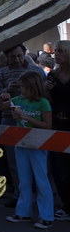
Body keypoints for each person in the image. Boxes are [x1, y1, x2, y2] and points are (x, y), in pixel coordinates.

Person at [0, 72, 54, 229]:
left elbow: (47, 126)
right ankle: (23, 212)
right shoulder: (17, 100)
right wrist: (2, 97)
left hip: (38, 145)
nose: (22, 90)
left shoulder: (43, 103)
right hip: (21, 144)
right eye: (21, 87)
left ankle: (46, 215)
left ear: (33, 87)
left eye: (25, 87)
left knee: (41, 180)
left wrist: (26, 117)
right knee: (24, 180)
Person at [47, 40, 70, 221]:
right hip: (57, 125)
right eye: (56, 51)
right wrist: (47, 91)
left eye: (60, 51)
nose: (56, 54)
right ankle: (66, 205)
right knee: (59, 168)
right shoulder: (52, 76)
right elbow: (48, 100)